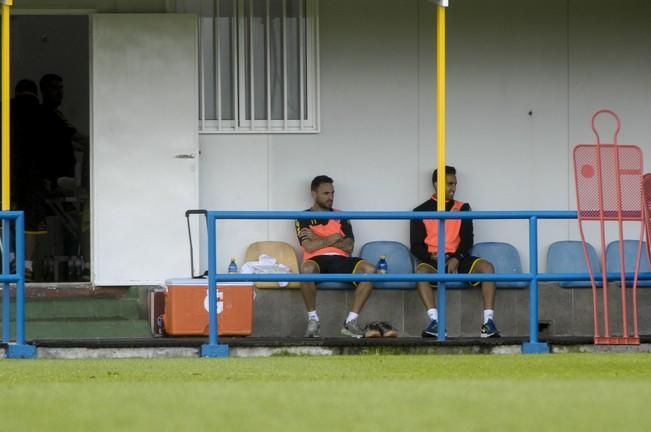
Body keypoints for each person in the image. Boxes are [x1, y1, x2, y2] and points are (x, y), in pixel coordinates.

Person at [410, 166, 500, 338]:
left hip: (458, 258)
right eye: (449, 184)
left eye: (455, 184)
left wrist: (456, 258)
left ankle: (488, 323)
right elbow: (415, 246)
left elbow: (467, 240)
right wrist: (431, 256)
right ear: (437, 184)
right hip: (434, 260)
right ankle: (435, 323)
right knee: (421, 272)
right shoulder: (420, 211)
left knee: (487, 267)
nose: (453, 188)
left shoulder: (463, 207)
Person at [295, 175, 378, 338]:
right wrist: (333, 238)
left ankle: (350, 322)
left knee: (370, 269)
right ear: (314, 194)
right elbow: (309, 247)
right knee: (306, 269)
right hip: (317, 260)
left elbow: (349, 247)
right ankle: (313, 320)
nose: (331, 197)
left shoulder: (341, 215)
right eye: (326, 193)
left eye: (333, 193)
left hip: (341, 259)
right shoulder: (303, 216)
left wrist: (319, 239)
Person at [10, 79, 48, 281]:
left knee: (6, 216)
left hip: (8, 174)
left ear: (16, 92)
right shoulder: (43, 112)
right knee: (32, 221)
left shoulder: (7, 109)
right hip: (34, 175)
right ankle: (27, 266)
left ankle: (9, 261)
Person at [39, 73, 88, 187]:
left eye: (61, 88)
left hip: (53, 178)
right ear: (44, 91)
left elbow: (60, 141)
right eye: (55, 88)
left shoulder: (47, 114)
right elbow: (77, 137)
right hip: (58, 178)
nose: (60, 93)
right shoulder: (51, 114)